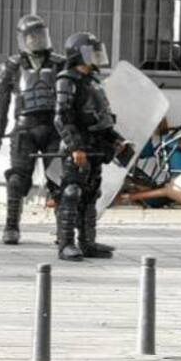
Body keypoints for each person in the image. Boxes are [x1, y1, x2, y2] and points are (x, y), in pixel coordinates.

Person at [0, 14, 63, 245]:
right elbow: (1, 101)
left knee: (59, 179)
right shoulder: (12, 66)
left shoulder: (60, 63)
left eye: (39, 35)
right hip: (24, 129)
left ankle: (64, 230)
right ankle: (11, 226)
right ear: (23, 39)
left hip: (54, 128)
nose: (36, 39)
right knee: (16, 180)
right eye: (31, 36)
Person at [53, 32, 129, 262]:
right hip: (78, 148)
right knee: (71, 192)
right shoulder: (67, 80)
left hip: (96, 146)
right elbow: (62, 117)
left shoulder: (93, 81)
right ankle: (66, 244)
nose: (96, 56)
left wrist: (115, 139)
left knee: (90, 194)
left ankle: (87, 242)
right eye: (91, 52)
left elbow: (102, 118)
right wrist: (75, 147)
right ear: (78, 54)